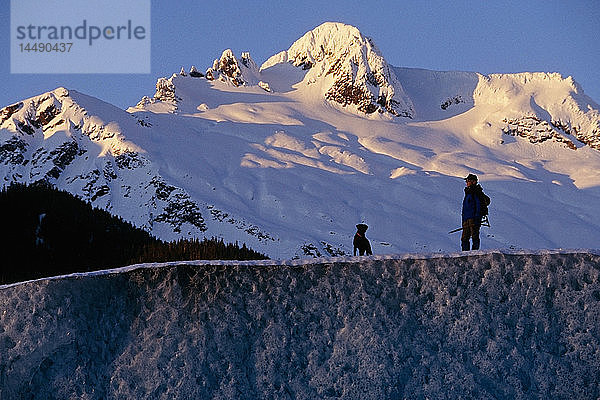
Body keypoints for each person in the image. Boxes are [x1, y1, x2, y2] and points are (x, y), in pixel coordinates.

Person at [461, 174, 484, 251]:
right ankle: (465, 253)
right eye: (466, 181)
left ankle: (475, 253)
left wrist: (477, 218)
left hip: (473, 218)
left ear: (474, 182)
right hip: (466, 218)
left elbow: (478, 206)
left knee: (474, 236)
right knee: (465, 237)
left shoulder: (476, 192)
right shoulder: (468, 192)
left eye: (468, 181)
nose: (467, 182)